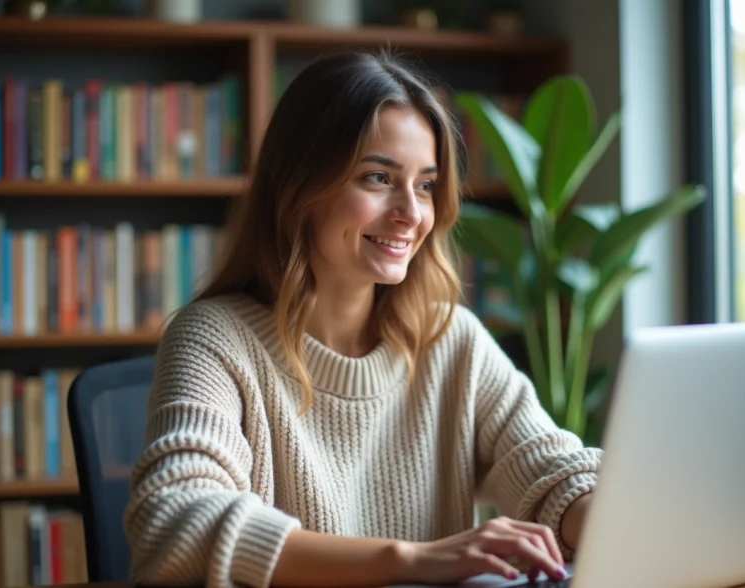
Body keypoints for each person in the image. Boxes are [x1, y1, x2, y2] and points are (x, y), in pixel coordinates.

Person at [123, 50, 603, 588]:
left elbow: (551, 471)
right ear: (299, 189)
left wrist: (603, 511)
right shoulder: (215, 339)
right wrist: (408, 560)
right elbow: (173, 520)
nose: (411, 213)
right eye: (378, 178)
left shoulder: (450, 339)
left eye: (425, 184)